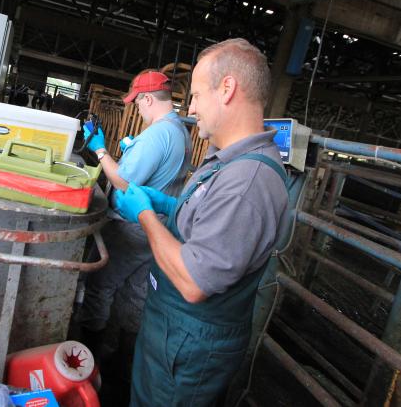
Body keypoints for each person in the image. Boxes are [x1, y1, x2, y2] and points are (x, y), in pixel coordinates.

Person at [114, 38, 289, 406]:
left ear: (227, 89)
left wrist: (145, 215)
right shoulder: (226, 161)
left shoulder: (248, 182)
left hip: (189, 344)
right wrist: (169, 204)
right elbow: (209, 220)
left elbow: (195, 282)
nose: (190, 108)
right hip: (173, 331)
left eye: (195, 95)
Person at [75, 70, 192, 358]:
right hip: (156, 229)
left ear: (148, 98)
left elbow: (123, 181)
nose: (137, 109)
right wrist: (130, 150)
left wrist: (101, 150)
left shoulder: (158, 134)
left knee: (100, 286)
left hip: (132, 227)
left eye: (137, 103)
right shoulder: (179, 131)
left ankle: (87, 359)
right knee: (136, 293)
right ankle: (123, 363)